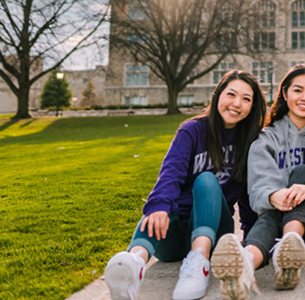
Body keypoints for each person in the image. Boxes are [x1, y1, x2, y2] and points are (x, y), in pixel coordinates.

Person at [104, 70, 267, 300]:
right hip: (174, 237)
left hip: (215, 232)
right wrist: (159, 206)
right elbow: (171, 172)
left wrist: (250, 241)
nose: (236, 103)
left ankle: (199, 260)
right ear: (218, 94)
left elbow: (249, 197)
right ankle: (134, 263)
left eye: (246, 99)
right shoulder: (192, 130)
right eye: (231, 94)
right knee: (163, 204)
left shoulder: (251, 142)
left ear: (253, 106)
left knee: (206, 180)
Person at [209, 64, 305, 300]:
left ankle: (287, 243)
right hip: (278, 217)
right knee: (274, 209)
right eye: (298, 90)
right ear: (285, 94)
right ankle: (246, 266)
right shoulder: (266, 138)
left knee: (301, 173)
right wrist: (274, 196)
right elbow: (259, 185)